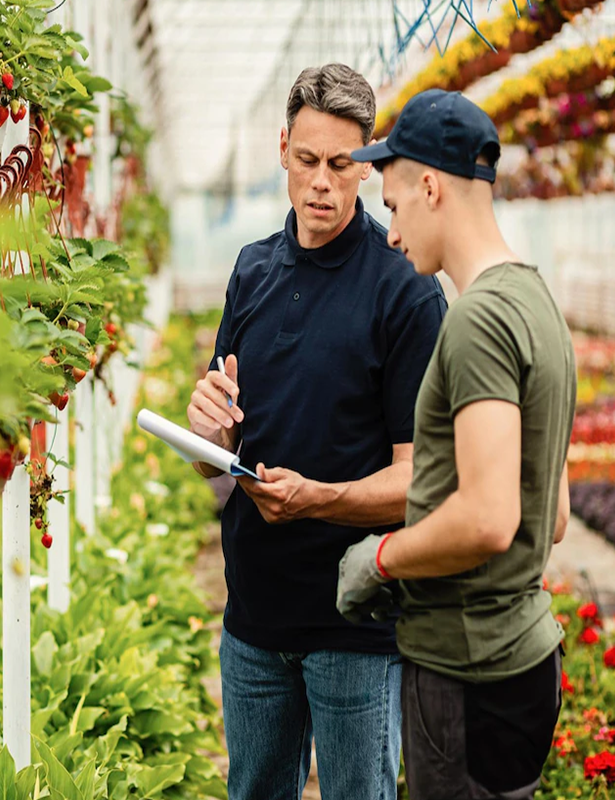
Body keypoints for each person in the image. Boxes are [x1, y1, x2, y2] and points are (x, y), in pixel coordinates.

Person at [186, 64, 447, 800]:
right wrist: (207, 433)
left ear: (367, 165)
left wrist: (319, 499)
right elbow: (219, 455)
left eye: (341, 164)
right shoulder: (252, 270)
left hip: (355, 624)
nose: (322, 184)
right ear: (283, 150)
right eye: (307, 161)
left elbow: (420, 481)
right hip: (254, 618)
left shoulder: (404, 288)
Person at [337, 89, 576, 800]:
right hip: (524, 659)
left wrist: (379, 558)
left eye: (394, 205)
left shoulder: (476, 323)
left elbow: (487, 518)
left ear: (431, 188)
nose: (392, 232)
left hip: (468, 675)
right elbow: (551, 516)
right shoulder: (536, 303)